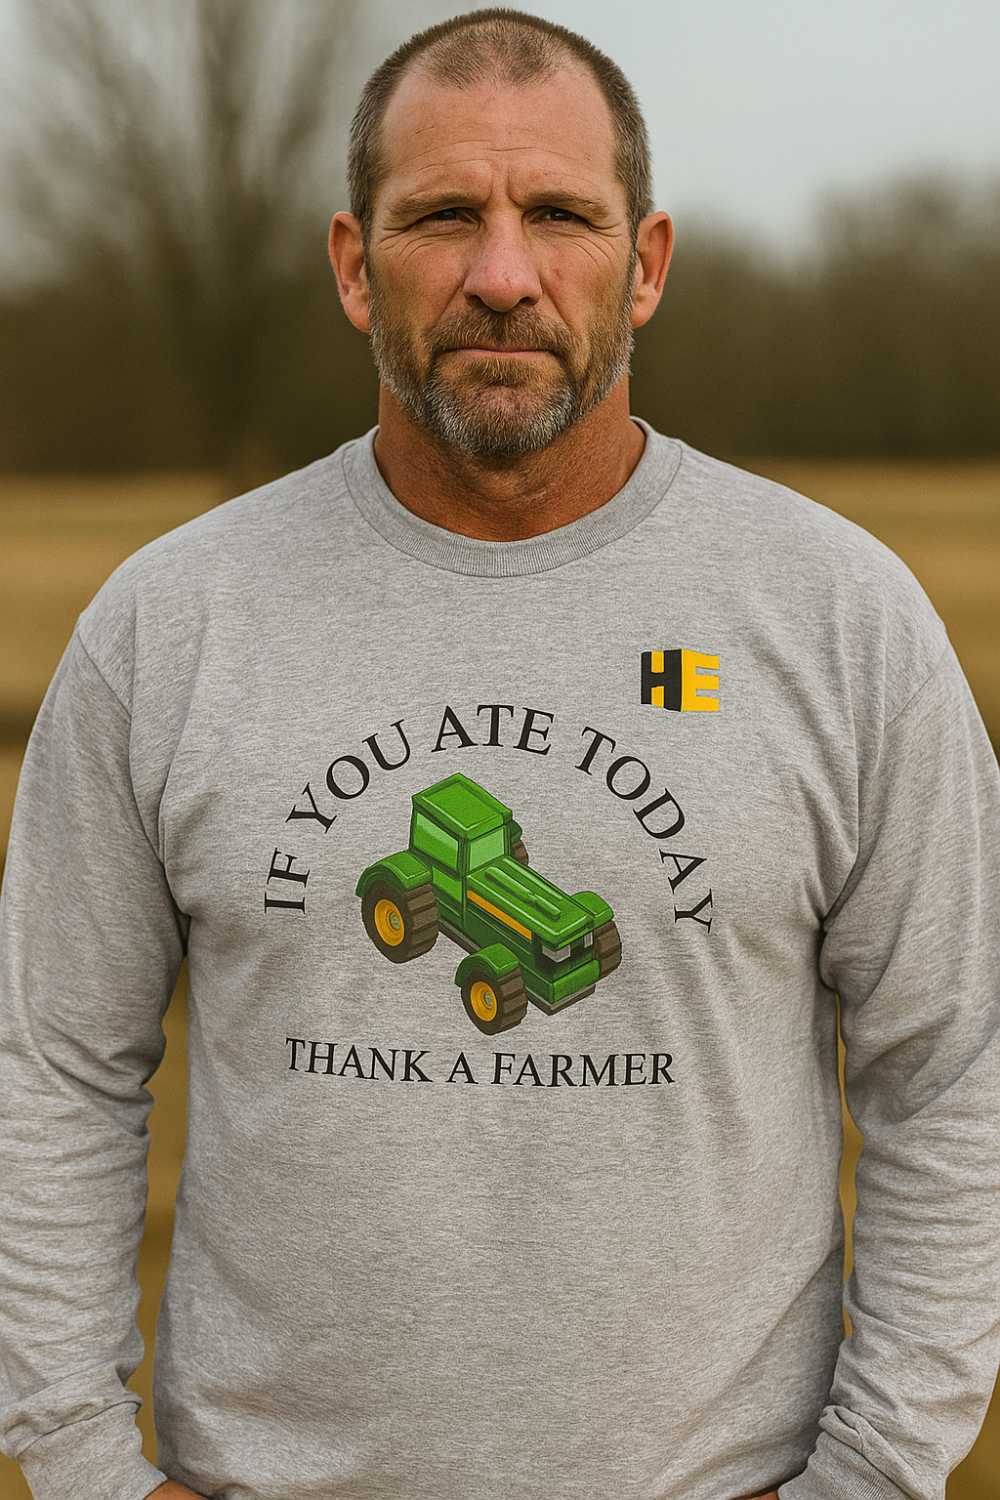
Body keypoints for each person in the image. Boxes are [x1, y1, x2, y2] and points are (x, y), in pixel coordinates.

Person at [1, 7, 998, 1499]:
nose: (503, 273)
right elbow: (52, 1069)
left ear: (645, 262)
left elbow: (953, 1077)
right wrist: (80, 1460)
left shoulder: (840, 619)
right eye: (444, 216)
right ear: (355, 263)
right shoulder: (174, 624)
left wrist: (874, 1475)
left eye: (560, 216)